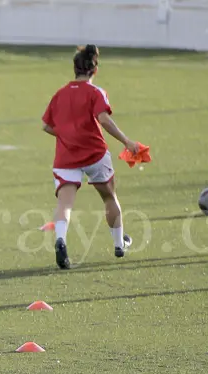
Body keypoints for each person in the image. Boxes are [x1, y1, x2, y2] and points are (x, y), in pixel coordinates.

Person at [41, 44, 137, 269]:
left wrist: (66, 135)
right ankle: (119, 244)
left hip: (66, 157)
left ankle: (61, 240)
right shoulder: (95, 92)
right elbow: (103, 119)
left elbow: (46, 126)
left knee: (64, 203)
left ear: (74, 68)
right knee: (109, 197)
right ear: (95, 70)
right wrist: (127, 141)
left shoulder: (60, 94)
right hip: (94, 154)